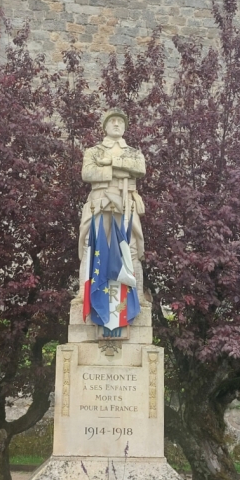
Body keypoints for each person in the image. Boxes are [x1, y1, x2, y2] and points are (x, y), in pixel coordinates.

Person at [79, 110, 147, 333]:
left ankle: (136, 296)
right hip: (99, 201)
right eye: (112, 121)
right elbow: (88, 173)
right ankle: (84, 295)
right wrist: (118, 169)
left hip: (126, 202)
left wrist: (110, 162)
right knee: (92, 246)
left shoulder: (134, 153)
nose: (117, 124)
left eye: (121, 121)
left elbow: (140, 168)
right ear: (105, 126)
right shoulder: (93, 151)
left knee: (132, 249)